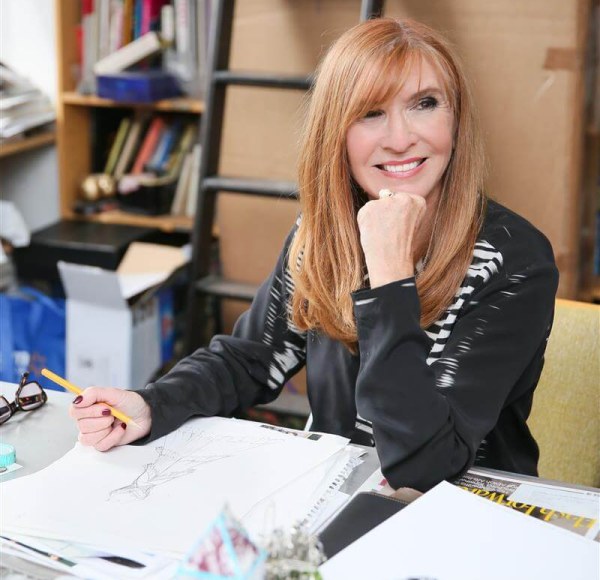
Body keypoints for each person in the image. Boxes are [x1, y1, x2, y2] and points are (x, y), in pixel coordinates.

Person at [69, 17, 558, 492]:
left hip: (467, 514)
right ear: (336, 134)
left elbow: (426, 466)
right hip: (335, 492)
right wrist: (151, 404)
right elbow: (252, 360)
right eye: (370, 113)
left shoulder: (514, 260)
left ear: (456, 118)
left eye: (425, 104)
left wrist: (390, 277)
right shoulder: (322, 233)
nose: (400, 137)